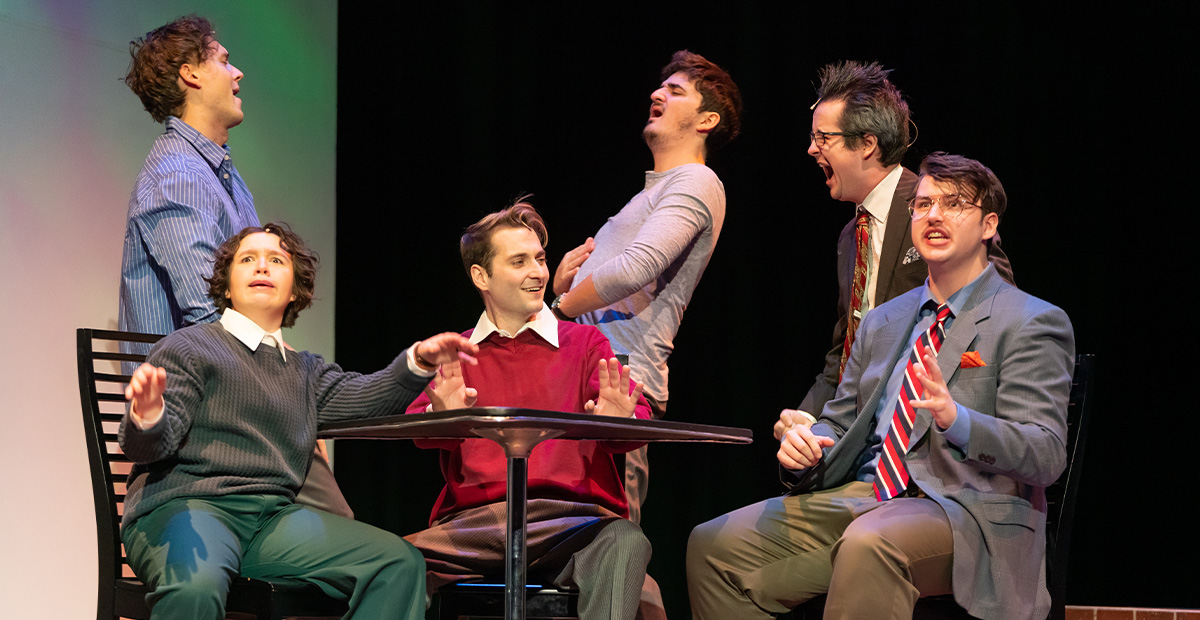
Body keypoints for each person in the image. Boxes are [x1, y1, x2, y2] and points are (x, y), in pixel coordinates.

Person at [686, 153, 1075, 620]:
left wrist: (959, 421)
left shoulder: (1031, 320)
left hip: (965, 510)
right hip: (868, 494)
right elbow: (840, 419)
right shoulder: (884, 320)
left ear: (989, 224)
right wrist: (810, 445)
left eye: (954, 205)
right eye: (924, 204)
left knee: (870, 544)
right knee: (712, 545)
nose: (934, 215)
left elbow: (1046, 454)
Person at [120, 223, 479, 619]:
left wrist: (419, 361)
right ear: (225, 287)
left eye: (276, 260)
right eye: (247, 260)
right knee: (196, 586)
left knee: (397, 563)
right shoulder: (189, 346)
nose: (262, 268)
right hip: (188, 507)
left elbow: (369, 398)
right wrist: (148, 414)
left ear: (294, 291)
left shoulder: (306, 371)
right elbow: (145, 447)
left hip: (271, 519)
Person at [117, 15, 352, 518]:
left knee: (347, 539)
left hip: (235, 403)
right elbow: (212, 317)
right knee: (349, 547)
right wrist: (291, 405)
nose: (238, 72)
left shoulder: (217, 171)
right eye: (223, 59)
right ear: (191, 75)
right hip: (206, 423)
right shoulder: (179, 178)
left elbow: (246, 319)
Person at [403, 200, 653, 620]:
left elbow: (635, 426)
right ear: (480, 276)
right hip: (479, 525)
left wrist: (617, 418)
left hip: (575, 524)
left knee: (627, 542)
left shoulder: (586, 343)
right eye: (519, 261)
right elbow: (416, 429)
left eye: (540, 258)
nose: (538, 273)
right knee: (389, 563)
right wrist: (443, 415)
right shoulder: (458, 352)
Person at [549, 50, 742, 528]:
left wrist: (561, 306)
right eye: (661, 87)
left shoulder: (697, 180)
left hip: (621, 382)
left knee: (612, 544)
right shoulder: (653, 192)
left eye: (676, 91)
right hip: (594, 372)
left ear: (707, 120)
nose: (657, 94)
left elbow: (638, 267)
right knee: (578, 546)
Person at [782, 61, 1014, 434]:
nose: (812, 149)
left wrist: (948, 407)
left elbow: (997, 307)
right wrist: (808, 419)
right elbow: (846, 348)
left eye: (823, 138)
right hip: (861, 433)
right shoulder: (850, 236)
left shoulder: (934, 209)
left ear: (868, 144)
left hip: (932, 430)